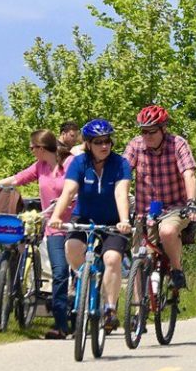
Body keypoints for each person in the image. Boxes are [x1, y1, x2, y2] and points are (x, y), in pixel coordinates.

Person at [0, 130, 76, 339]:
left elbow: (77, 188)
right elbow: (17, 179)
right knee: (60, 272)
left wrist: (68, 201)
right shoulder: (40, 166)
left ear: (41, 148)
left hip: (74, 224)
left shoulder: (70, 164)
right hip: (53, 227)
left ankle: (84, 311)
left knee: (77, 271)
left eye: (32, 147)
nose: (31, 151)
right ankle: (61, 325)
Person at [48, 119, 133, 333]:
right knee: (72, 248)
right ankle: (83, 278)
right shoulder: (79, 163)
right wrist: (56, 216)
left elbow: (120, 193)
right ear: (87, 144)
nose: (104, 146)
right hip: (84, 217)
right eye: (98, 142)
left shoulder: (120, 163)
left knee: (112, 259)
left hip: (113, 221)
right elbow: (68, 192)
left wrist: (124, 221)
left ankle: (110, 309)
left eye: (107, 141)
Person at [124, 105, 196, 295]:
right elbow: (123, 173)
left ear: (163, 129)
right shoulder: (136, 145)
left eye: (151, 131)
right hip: (145, 211)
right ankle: (136, 312)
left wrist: (192, 203)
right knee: (139, 259)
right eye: (143, 131)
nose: (147, 136)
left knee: (167, 231)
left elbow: (189, 174)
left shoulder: (177, 144)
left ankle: (176, 270)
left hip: (175, 207)